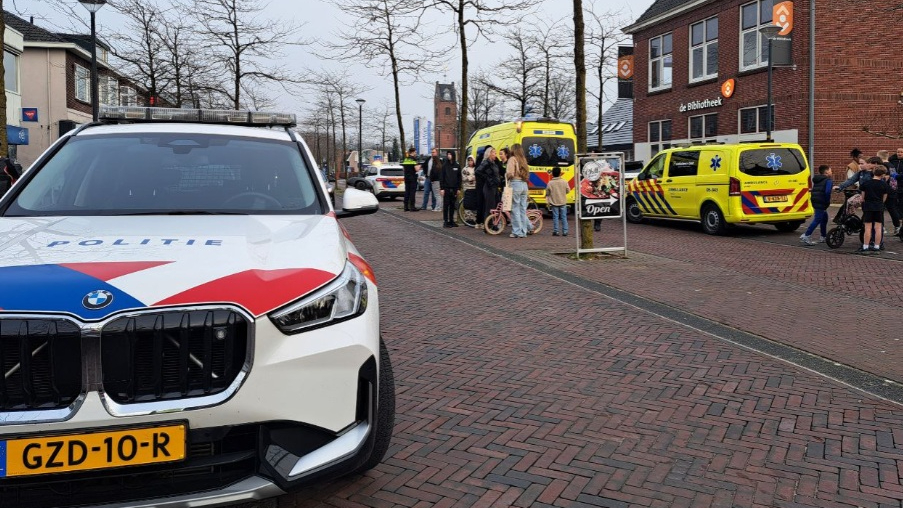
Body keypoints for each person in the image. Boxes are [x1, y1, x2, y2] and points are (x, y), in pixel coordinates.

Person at [859, 166, 890, 253]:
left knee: (868, 227)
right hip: (879, 207)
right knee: (878, 228)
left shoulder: (866, 183)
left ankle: (865, 247)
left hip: (868, 206)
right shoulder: (884, 185)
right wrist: (880, 203)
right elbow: (884, 198)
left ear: (873, 172)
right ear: (883, 174)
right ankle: (877, 247)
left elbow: (862, 198)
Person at [800, 165, 833, 245]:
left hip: (815, 200)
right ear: (826, 172)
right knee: (818, 219)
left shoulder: (817, 179)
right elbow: (827, 192)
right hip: (822, 201)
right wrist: (827, 201)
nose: (831, 172)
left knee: (824, 218)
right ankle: (806, 235)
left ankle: (823, 236)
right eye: (830, 171)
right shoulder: (828, 180)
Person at [506, 144, 530, 238]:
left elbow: (510, 173)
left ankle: (517, 231)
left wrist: (507, 176)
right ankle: (524, 231)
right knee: (523, 209)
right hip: (524, 185)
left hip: (515, 184)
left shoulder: (512, 159)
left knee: (515, 208)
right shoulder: (523, 160)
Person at [475, 146, 500, 228]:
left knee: (495, 205)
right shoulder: (486, 162)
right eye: (494, 153)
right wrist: (488, 179)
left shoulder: (493, 163)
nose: (495, 155)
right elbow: (478, 171)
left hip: (494, 187)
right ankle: (488, 226)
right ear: (489, 154)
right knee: (490, 207)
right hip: (489, 187)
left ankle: (493, 224)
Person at [546, 166, 569, 236]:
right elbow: (568, 190)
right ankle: (565, 231)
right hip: (563, 202)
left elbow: (547, 192)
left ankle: (556, 231)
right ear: (560, 173)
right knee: (564, 217)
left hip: (554, 202)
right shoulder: (564, 182)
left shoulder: (550, 183)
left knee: (555, 217)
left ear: (552, 173)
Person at [440, 151, 461, 227]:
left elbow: (459, 177)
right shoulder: (445, 165)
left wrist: (458, 188)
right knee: (446, 205)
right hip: (446, 188)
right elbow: (442, 177)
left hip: (454, 188)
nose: (449, 156)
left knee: (452, 205)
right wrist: (442, 188)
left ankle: (451, 220)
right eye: (448, 154)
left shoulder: (457, 165)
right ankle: (445, 221)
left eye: (450, 154)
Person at [401, 147, 420, 211]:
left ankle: (405, 207)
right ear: (413, 152)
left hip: (406, 177)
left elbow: (403, 169)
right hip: (412, 178)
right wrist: (420, 166)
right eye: (415, 152)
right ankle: (412, 207)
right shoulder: (414, 159)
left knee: (407, 192)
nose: (416, 153)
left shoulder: (406, 159)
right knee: (412, 192)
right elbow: (417, 169)